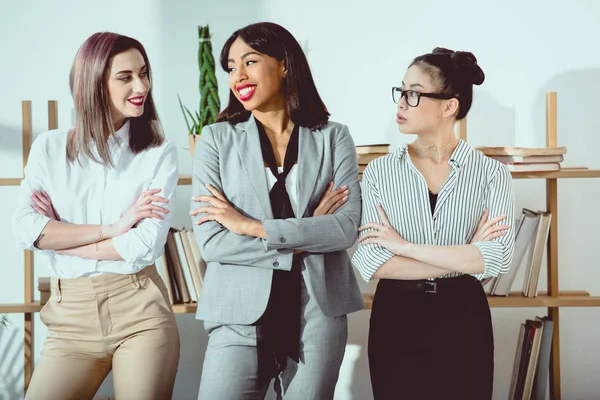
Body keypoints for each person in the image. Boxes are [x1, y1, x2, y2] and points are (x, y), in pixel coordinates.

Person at [189, 22, 364, 400]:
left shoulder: (334, 137)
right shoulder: (215, 140)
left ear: (284, 65)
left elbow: (346, 228)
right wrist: (309, 231)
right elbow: (214, 243)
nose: (239, 76)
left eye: (249, 62)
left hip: (317, 313)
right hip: (237, 316)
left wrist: (252, 226)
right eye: (231, 67)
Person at [12, 32, 180, 400]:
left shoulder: (158, 153)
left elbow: (142, 245)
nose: (142, 86)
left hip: (140, 312)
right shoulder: (50, 148)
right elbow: (25, 230)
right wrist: (112, 228)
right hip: (69, 319)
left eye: (144, 73)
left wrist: (62, 238)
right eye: (125, 77)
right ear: (94, 84)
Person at [351, 47, 516, 400]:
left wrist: (403, 247)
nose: (400, 103)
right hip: (396, 317)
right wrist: (466, 255)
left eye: (413, 94)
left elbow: (498, 258)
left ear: (448, 106)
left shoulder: (491, 173)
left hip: (463, 318)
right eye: (401, 91)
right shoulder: (380, 171)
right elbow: (368, 261)